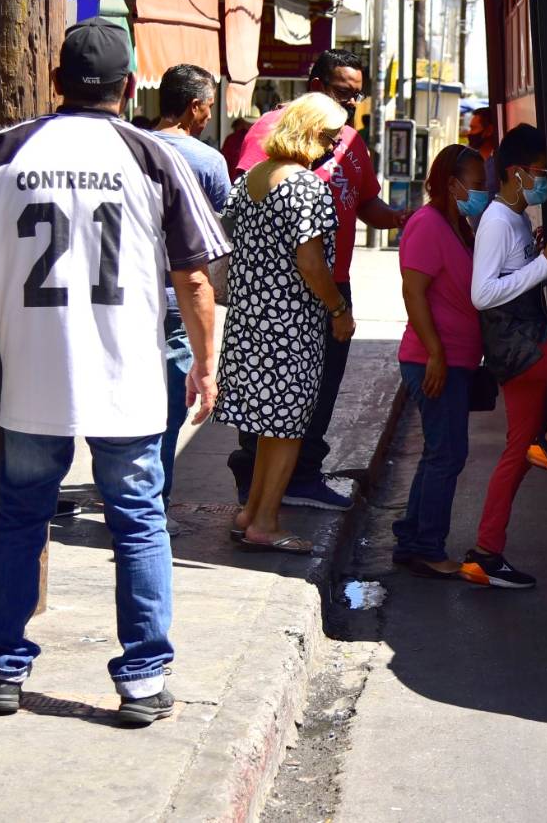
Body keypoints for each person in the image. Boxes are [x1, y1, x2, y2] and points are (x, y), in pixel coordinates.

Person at [0, 18, 229, 726]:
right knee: (138, 520)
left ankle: (2, 669)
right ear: (129, 87)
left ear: (55, 81)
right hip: (127, 380)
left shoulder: (4, 150)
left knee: (20, 517)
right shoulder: (153, 156)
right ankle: (143, 681)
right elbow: (193, 277)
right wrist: (207, 363)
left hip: (32, 376)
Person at [227, 49, 406, 510]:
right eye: (343, 93)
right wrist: (336, 308)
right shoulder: (276, 142)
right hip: (287, 290)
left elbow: (366, 203)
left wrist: (412, 217)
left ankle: (282, 488)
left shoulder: (349, 139)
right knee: (279, 395)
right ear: (316, 83)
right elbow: (294, 243)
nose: (349, 106)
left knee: (315, 390)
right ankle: (265, 490)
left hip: (327, 281)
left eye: (357, 96)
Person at [216, 93, 354, 554]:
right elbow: (312, 263)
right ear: (311, 132)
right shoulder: (305, 186)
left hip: (251, 320)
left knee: (269, 428)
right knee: (289, 427)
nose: (334, 146)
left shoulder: (254, 176)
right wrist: (338, 309)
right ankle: (266, 523)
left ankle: (252, 512)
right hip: (291, 324)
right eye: (331, 137)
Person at [462, 124, 547, 590]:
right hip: (520, 346)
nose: (544, 181)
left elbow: (512, 273)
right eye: (540, 172)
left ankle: (486, 554)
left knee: (516, 453)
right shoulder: (498, 221)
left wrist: (533, 258)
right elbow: (483, 294)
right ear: (514, 173)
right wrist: (543, 265)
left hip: (521, 344)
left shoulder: (517, 217)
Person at [391, 145, 489, 578]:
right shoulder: (428, 225)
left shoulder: (458, 226)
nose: (481, 191)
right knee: (447, 454)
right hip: (433, 360)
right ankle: (427, 547)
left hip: (452, 360)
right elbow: (413, 292)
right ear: (452, 183)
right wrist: (435, 354)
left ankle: (413, 539)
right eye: (477, 183)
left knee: (440, 454)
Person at [150, 64, 230, 532]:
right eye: (209, 106)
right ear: (195, 106)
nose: (209, 115)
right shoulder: (206, 160)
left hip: (124, 296)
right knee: (168, 412)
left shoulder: (131, 146)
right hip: (178, 298)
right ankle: (152, 508)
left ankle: (130, 496)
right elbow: (214, 235)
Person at [464, 105, 501, 198]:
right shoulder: (466, 159)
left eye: (473, 128)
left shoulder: (498, 164)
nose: (469, 133)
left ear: (489, 130)